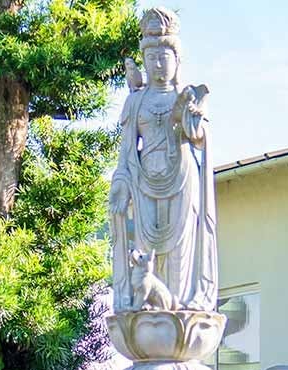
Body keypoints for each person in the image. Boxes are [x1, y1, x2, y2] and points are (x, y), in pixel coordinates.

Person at [109, 6, 217, 314]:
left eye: (164, 57)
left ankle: (178, 304)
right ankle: (149, 304)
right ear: (143, 61)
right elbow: (127, 151)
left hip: (182, 176)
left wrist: (193, 122)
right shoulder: (135, 101)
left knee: (179, 245)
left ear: (177, 60)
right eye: (151, 57)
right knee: (145, 248)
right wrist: (120, 183)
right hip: (143, 179)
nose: (158, 64)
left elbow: (199, 138)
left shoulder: (185, 97)